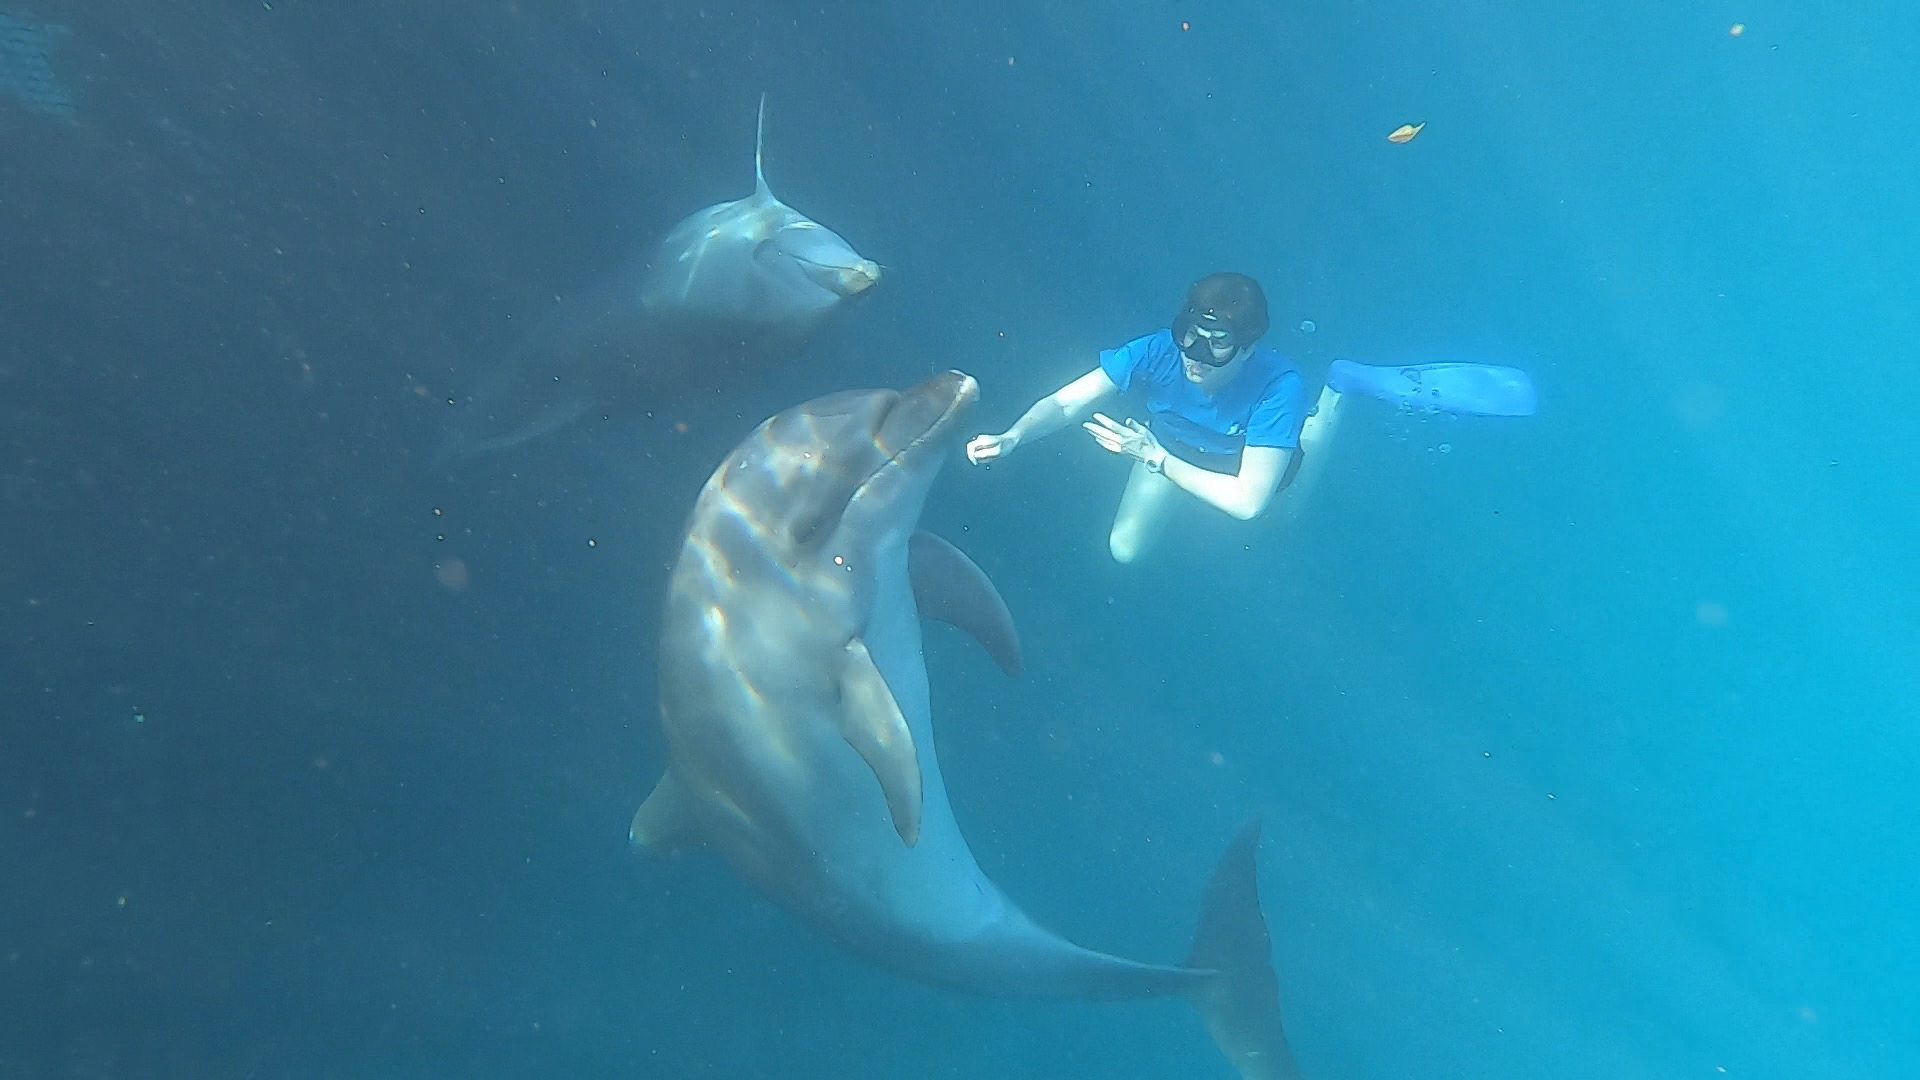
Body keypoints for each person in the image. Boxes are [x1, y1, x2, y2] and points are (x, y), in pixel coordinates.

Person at [966, 273, 1310, 563]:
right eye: (1191, 334)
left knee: (1283, 521)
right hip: (1169, 449)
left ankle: (1322, 412)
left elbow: (1247, 502)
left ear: (1247, 348)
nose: (1196, 354)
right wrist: (1013, 436)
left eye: (1219, 342)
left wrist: (1155, 459)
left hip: (1239, 466)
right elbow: (1066, 404)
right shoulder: (1157, 350)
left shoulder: (1280, 387)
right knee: (1124, 550)